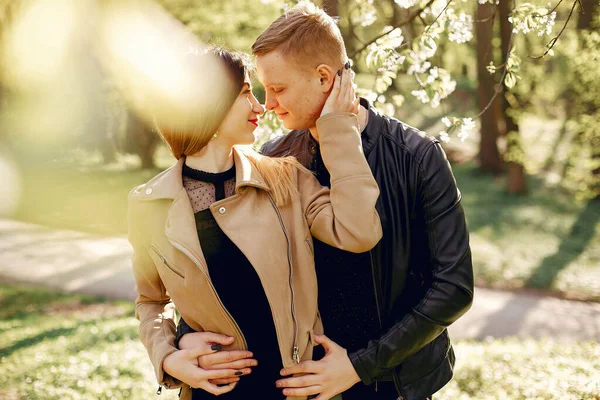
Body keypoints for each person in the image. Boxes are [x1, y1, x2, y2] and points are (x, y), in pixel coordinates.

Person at [179, 2, 474, 400]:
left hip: (396, 383)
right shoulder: (274, 159)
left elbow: (453, 287)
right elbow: (231, 268)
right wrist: (183, 339)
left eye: (279, 88)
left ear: (323, 78)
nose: (267, 103)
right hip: (302, 381)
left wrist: (359, 366)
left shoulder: (417, 156)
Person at [127, 47, 382, 400]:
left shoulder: (286, 179)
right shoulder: (148, 204)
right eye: (247, 93)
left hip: (295, 390)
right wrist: (169, 358)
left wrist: (338, 129)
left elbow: (359, 232)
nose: (261, 106)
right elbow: (150, 302)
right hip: (213, 392)